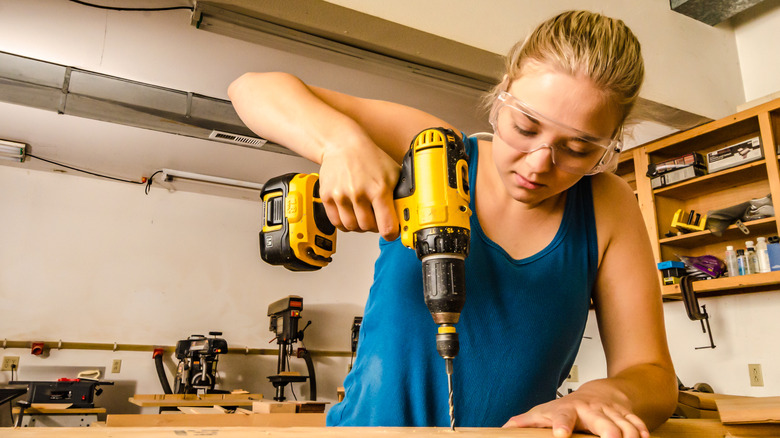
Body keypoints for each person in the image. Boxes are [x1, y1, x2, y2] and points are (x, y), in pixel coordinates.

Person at [229, 10, 677, 437]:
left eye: (578, 149)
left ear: (610, 145)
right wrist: (340, 143)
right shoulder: (434, 154)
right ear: (503, 96)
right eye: (526, 126)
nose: (540, 163)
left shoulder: (606, 205)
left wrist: (601, 396)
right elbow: (251, 89)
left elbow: (653, 375)